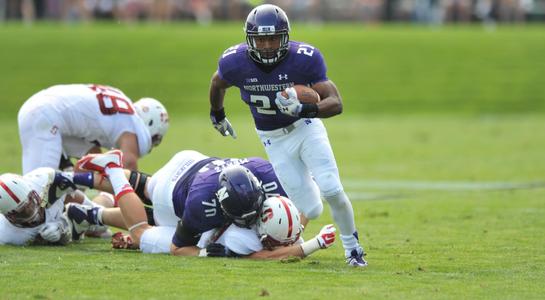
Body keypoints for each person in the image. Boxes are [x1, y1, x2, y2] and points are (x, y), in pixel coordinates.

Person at [207, 4, 367, 267]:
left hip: (306, 128)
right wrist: (218, 114)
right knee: (312, 208)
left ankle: (353, 248)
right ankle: (314, 180)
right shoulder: (234, 61)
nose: (268, 45)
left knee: (333, 189)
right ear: (250, 40)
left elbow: (336, 102)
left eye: (273, 38)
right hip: (273, 139)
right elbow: (217, 83)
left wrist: (305, 108)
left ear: (285, 37)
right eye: (261, 39)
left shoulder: (305, 57)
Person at [65, 150, 336, 259]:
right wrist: (207, 254)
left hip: (194, 161)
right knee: (145, 228)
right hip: (174, 192)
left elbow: (306, 196)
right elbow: (178, 247)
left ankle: (77, 187)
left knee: (144, 185)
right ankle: (111, 171)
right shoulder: (204, 208)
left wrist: (302, 226)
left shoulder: (266, 175)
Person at [18, 83, 169, 174]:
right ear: (149, 122)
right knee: (38, 189)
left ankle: (75, 208)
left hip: (45, 109)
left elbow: (93, 159)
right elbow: (129, 163)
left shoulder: (122, 107)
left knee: (92, 163)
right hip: (45, 116)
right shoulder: (131, 122)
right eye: (156, 138)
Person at [0, 167, 104, 246]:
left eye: (30, 203)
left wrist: (62, 226)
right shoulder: (6, 234)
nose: (33, 212)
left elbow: (84, 181)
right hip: (52, 215)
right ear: (8, 216)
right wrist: (60, 235)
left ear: (32, 192)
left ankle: (107, 197)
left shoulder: (43, 180)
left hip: (59, 204)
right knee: (97, 229)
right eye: (23, 212)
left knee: (101, 226)